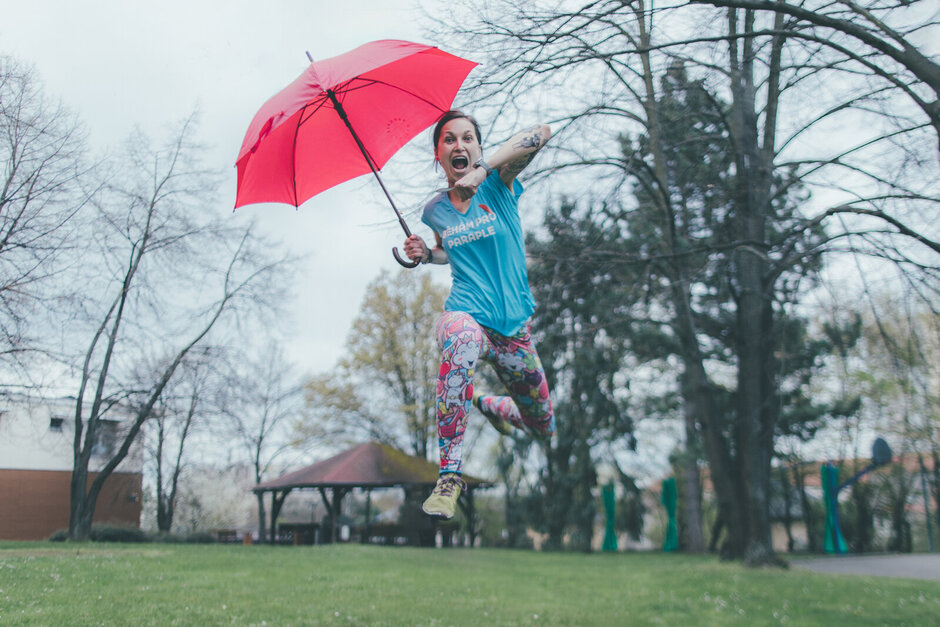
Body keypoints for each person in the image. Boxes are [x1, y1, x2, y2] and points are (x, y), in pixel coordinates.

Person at [403, 110, 555, 519]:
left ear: (479, 147)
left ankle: (490, 404)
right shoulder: (435, 210)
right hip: (466, 315)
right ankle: (449, 476)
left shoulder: (499, 184)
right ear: (438, 155)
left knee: (543, 425)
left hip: (514, 334)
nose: (459, 145)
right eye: (449, 139)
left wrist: (484, 171)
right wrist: (426, 255)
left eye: (467, 137)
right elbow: (449, 250)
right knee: (462, 336)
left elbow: (542, 132)